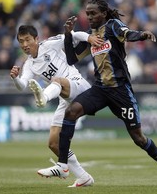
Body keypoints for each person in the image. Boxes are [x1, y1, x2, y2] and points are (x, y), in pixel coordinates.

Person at [37, 0, 157, 186]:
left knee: (138, 138)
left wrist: (142, 35)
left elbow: (127, 33)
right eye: (87, 14)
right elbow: (72, 59)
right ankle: (63, 165)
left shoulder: (112, 26)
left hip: (120, 90)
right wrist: (67, 34)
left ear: (103, 13)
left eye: (93, 13)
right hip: (100, 89)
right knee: (71, 112)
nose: (89, 17)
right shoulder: (90, 36)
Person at [10, 25, 102, 187]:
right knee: (53, 143)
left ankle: (44, 97)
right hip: (64, 98)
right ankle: (83, 177)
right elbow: (22, 85)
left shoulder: (50, 44)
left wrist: (89, 38)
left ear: (36, 39)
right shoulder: (29, 64)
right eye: (21, 41)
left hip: (78, 85)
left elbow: (73, 35)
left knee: (57, 81)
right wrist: (15, 79)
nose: (25, 45)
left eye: (28, 40)